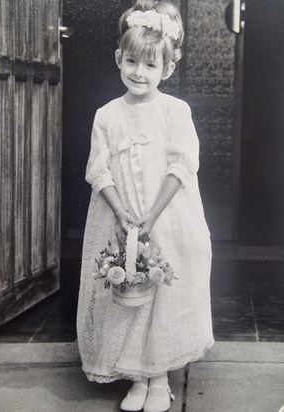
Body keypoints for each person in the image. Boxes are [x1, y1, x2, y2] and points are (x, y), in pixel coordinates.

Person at [77, 1, 214, 411]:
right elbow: (98, 168)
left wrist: (153, 215)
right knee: (128, 291)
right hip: (121, 214)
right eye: (132, 61)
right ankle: (136, 376)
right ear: (119, 58)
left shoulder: (175, 111)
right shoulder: (107, 115)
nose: (139, 72)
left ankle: (160, 377)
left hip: (165, 214)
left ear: (167, 69)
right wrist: (120, 212)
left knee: (161, 290)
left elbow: (183, 163)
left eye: (150, 66)